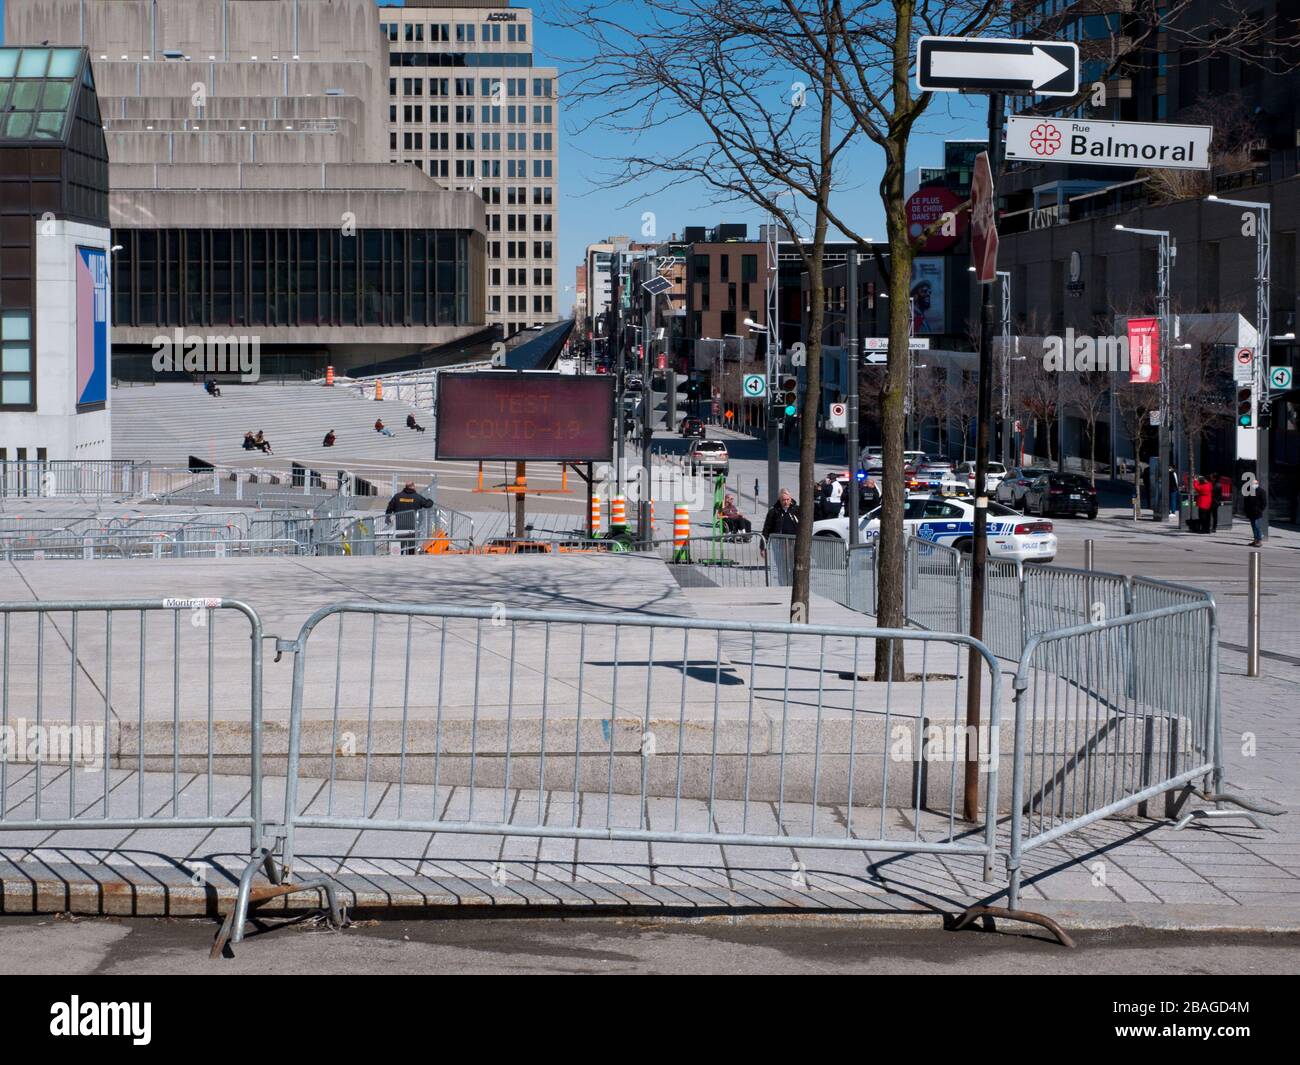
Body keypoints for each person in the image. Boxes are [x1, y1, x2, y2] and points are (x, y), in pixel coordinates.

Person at [385, 481, 433, 554]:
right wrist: (431, 500)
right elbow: (427, 504)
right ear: (413, 486)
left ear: (405, 486)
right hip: (411, 525)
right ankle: (410, 557)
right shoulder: (417, 497)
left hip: (400, 525)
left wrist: (387, 517)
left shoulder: (397, 496)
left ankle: (399, 557)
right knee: (411, 544)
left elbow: (390, 507)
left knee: (400, 544)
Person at [1244, 481, 1267, 547]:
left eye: (1254, 484)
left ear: (1257, 484)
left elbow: (1264, 503)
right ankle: (1255, 540)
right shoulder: (1249, 491)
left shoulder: (1261, 491)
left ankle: (1259, 540)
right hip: (1251, 512)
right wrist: (1246, 510)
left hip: (1257, 512)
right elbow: (1246, 500)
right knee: (1253, 526)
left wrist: (1260, 510)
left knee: (1257, 526)